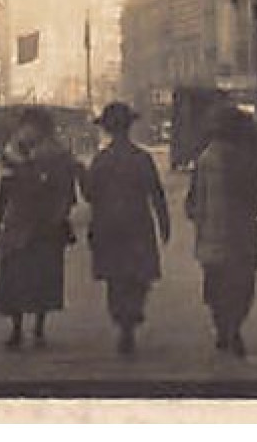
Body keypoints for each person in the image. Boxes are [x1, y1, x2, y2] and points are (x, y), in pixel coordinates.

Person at [0, 107, 79, 349]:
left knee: (18, 278)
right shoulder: (58, 155)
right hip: (43, 227)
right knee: (40, 278)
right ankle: (35, 330)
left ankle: (22, 330)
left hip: (23, 226)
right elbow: (69, 195)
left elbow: (3, 197)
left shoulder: (17, 153)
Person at [81, 102, 170, 356]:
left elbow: (90, 195)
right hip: (137, 224)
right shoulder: (141, 158)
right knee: (137, 277)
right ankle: (131, 319)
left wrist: (81, 178)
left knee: (116, 278)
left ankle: (124, 323)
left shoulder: (101, 160)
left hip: (108, 226)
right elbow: (156, 193)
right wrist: (164, 223)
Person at [185, 105, 257, 357]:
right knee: (242, 286)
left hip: (211, 237)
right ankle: (235, 326)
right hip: (242, 237)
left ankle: (223, 327)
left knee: (216, 286)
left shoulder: (203, 159)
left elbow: (192, 202)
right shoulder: (247, 159)